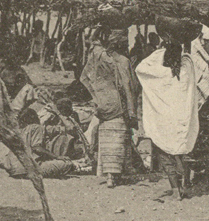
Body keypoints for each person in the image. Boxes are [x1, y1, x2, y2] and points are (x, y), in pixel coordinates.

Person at [136, 37, 200, 200]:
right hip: (180, 120)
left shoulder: (159, 74)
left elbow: (140, 68)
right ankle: (183, 186)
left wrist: (160, 50)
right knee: (179, 153)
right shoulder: (186, 69)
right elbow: (187, 58)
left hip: (164, 120)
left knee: (165, 155)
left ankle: (176, 190)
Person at [79, 29, 139, 187]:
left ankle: (109, 174)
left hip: (103, 103)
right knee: (118, 137)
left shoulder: (99, 57)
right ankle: (115, 174)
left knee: (106, 138)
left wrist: (96, 95)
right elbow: (128, 86)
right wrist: (132, 110)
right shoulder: (122, 61)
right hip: (118, 104)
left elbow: (85, 77)